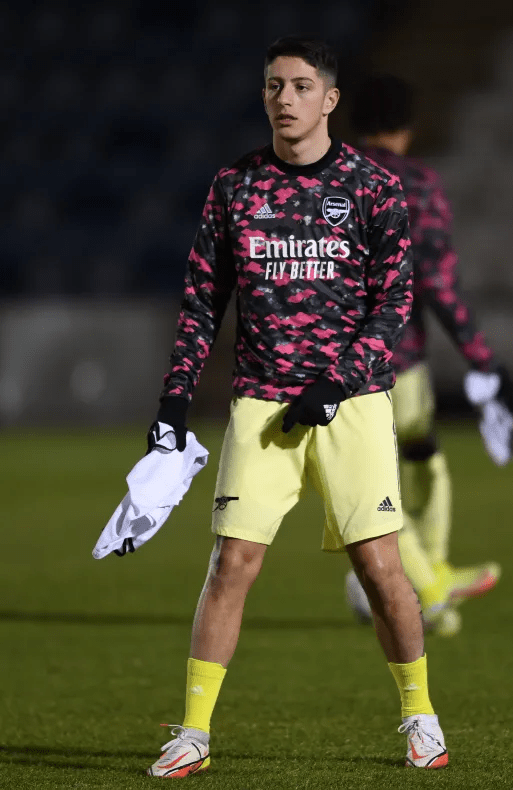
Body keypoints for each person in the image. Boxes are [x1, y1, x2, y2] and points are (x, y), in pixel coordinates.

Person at [145, 38, 448, 777]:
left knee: (381, 568)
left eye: (302, 86)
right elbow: (200, 304)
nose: (286, 98)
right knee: (231, 563)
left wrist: (338, 382)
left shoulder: (373, 188)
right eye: (275, 86)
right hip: (261, 403)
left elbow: (394, 307)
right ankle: (193, 732)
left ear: (330, 100)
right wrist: (173, 401)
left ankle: (420, 716)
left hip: (353, 407)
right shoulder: (234, 187)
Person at [344, 74, 513, 636]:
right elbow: (438, 284)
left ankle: (432, 574)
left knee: (380, 482)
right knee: (418, 460)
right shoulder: (415, 183)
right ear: (407, 127)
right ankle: (431, 582)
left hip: (336, 359)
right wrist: (481, 358)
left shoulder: (329, 179)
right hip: (400, 357)